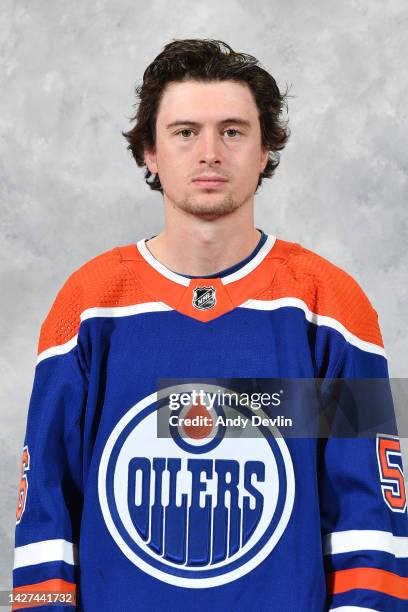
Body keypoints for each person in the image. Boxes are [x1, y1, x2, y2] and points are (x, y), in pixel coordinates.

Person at [13, 38, 407, 611]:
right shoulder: (90, 303)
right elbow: (46, 502)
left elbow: (368, 514)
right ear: (150, 152)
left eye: (233, 130)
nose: (209, 153)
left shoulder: (331, 304)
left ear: (265, 149)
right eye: (184, 132)